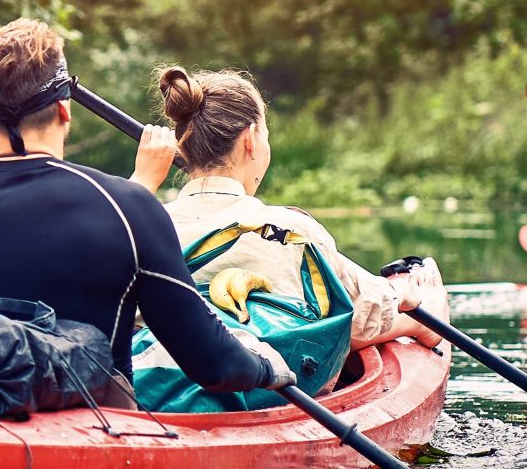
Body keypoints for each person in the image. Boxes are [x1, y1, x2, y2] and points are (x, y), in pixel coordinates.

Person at [0, 20, 288, 398]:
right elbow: (213, 365)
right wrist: (267, 366)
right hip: (92, 430)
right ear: (65, 110)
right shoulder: (128, 207)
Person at [127, 68, 446, 353]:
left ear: (182, 147)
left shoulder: (137, 227)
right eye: (265, 133)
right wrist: (407, 295)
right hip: (269, 384)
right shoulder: (289, 229)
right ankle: (421, 324)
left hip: (158, 383)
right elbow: (359, 312)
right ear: (250, 139)